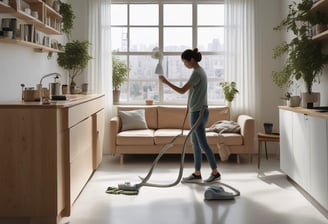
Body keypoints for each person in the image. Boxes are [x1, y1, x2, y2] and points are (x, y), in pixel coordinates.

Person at [159, 48, 221, 183]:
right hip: (198, 111)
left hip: (198, 112)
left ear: (191, 60)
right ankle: (197, 173)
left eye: (185, 62)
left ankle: (215, 172)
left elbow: (182, 91)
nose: (184, 64)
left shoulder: (197, 73)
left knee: (202, 143)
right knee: (195, 143)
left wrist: (166, 82)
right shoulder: (200, 71)